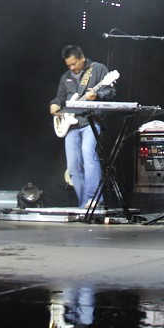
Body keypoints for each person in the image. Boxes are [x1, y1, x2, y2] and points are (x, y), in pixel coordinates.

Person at [49, 46, 114, 209]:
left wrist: (97, 95)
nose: (71, 68)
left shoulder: (98, 69)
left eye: (74, 64)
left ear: (82, 58)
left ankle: (95, 200)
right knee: (73, 167)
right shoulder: (66, 77)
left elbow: (111, 91)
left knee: (89, 156)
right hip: (70, 126)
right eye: (68, 65)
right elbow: (59, 98)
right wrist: (54, 105)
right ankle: (84, 203)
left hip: (90, 121)